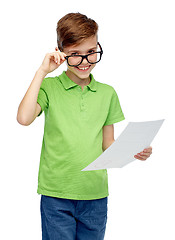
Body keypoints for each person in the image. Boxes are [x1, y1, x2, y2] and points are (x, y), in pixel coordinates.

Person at [17, 12, 152, 240]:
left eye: (90, 52)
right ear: (60, 52)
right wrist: (41, 71)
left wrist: (133, 151)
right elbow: (24, 118)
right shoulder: (50, 87)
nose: (84, 61)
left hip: (95, 196)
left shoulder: (107, 93)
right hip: (56, 195)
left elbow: (108, 143)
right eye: (75, 54)